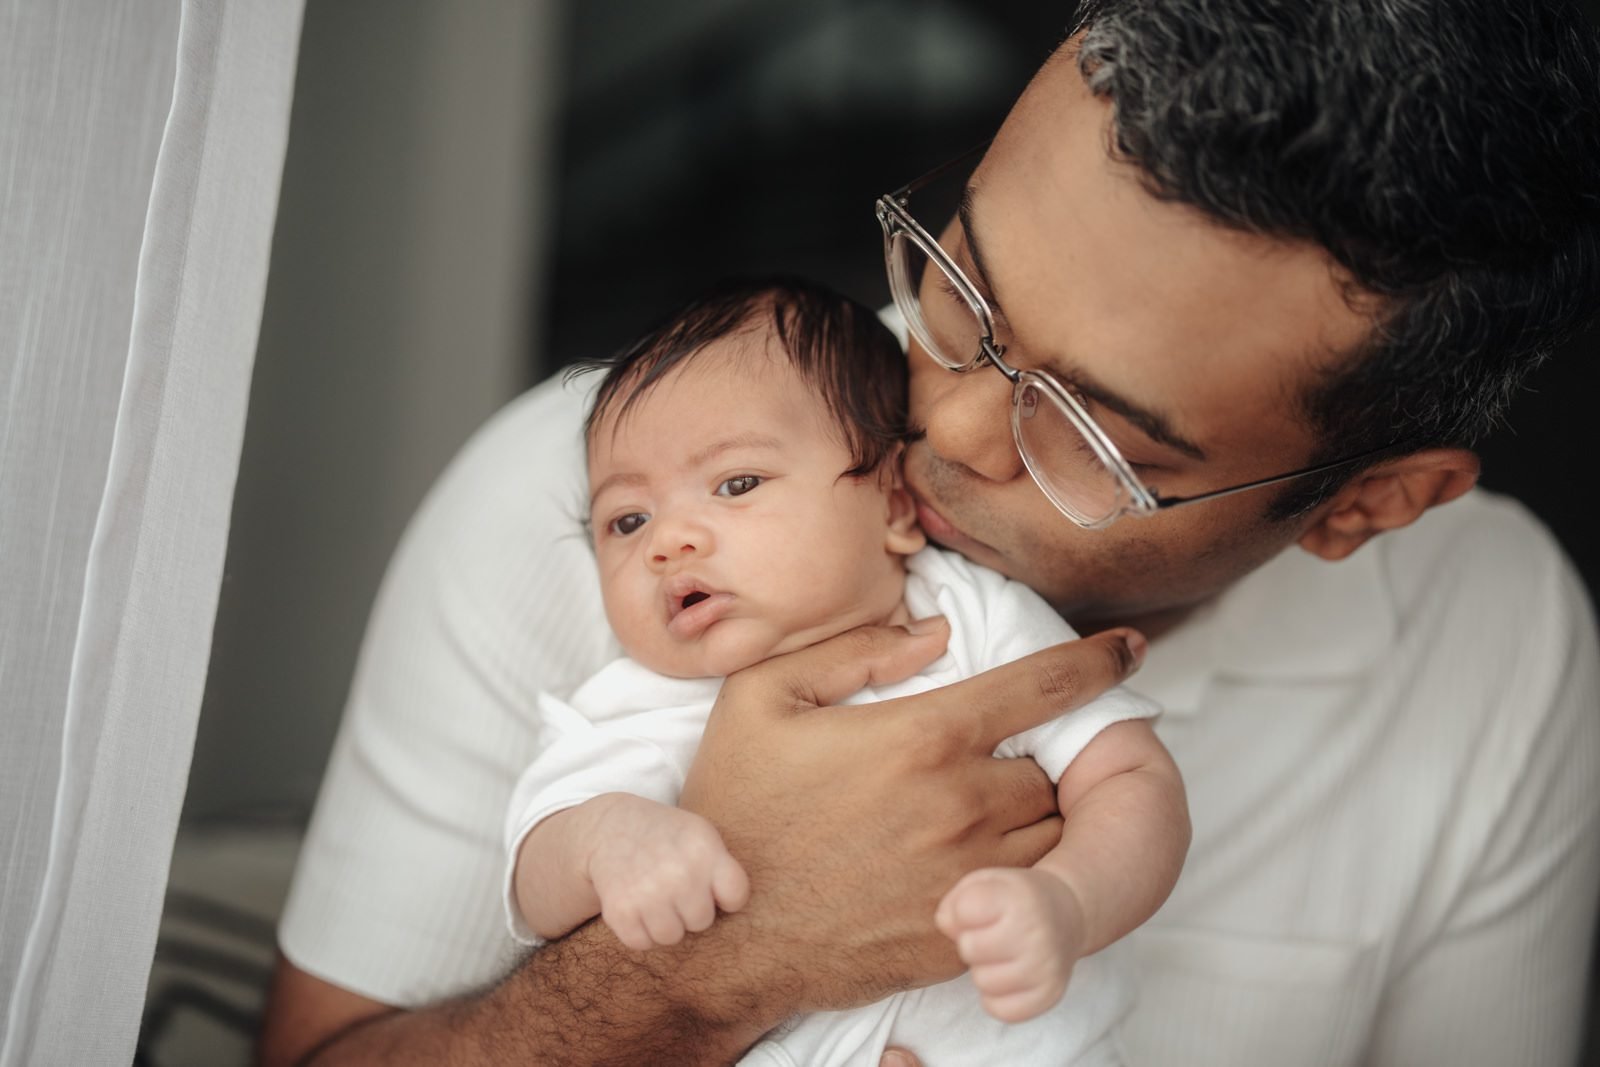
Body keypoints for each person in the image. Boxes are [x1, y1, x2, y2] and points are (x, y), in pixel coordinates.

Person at [260, 2, 1600, 1064]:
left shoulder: (1499, 636)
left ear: (1368, 503)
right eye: (962, 287)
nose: (949, 424)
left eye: (1091, 428)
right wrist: (714, 964)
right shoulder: (597, 506)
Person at [505, 278, 1186, 1066]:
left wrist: (1070, 898)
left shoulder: (973, 617)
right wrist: (606, 841)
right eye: (627, 520)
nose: (668, 541)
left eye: (736, 484)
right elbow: (533, 880)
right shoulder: (644, 700)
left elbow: (1131, 777)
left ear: (895, 505)